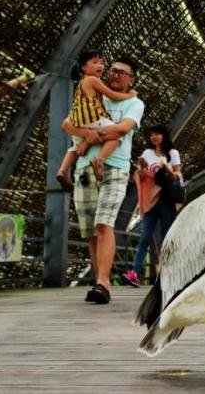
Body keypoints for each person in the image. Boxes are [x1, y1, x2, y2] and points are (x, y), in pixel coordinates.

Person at [62, 55, 144, 305]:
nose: (115, 74)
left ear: (132, 80)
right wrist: (88, 133)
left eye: (122, 73)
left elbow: (121, 130)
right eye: (113, 70)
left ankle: (103, 283)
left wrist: (90, 135)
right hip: (85, 169)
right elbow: (67, 124)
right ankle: (100, 282)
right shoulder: (93, 93)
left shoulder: (135, 103)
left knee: (104, 224)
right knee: (91, 232)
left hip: (115, 169)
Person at [55, 50, 137, 190]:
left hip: (79, 121)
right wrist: (131, 95)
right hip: (92, 119)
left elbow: (68, 123)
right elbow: (113, 96)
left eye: (102, 63)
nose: (100, 65)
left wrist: (85, 138)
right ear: (83, 67)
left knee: (75, 148)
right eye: (95, 62)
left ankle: (62, 170)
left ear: (132, 79)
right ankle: (99, 161)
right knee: (118, 136)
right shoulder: (93, 80)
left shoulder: (82, 84)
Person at [122, 124, 183, 287]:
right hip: (150, 199)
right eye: (151, 135)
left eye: (157, 134)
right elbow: (141, 176)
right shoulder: (147, 154)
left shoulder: (173, 153)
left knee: (167, 237)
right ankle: (134, 272)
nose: (154, 137)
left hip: (166, 199)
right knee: (145, 236)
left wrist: (169, 172)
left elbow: (179, 174)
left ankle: (170, 274)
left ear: (164, 135)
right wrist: (141, 169)